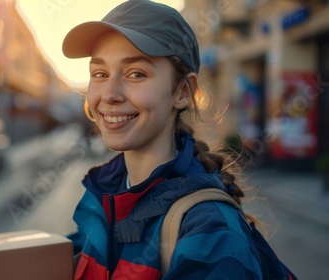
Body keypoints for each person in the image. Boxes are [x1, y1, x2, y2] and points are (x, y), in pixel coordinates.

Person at [61, 1, 293, 279]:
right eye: (100, 74)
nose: (109, 94)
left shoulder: (210, 233)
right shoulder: (102, 198)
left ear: (183, 91)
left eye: (136, 73)